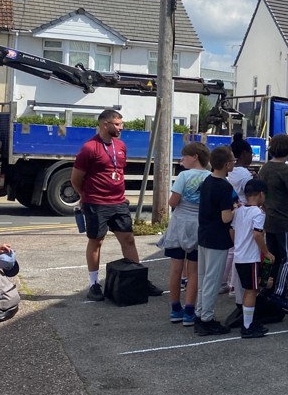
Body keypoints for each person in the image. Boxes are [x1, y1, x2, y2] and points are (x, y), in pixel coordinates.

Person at [71, 109, 162, 301]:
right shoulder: (90, 148)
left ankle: (139, 280)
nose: (121, 128)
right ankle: (94, 284)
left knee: (128, 239)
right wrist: (85, 196)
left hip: (119, 202)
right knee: (96, 242)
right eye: (118, 124)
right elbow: (76, 179)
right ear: (105, 124)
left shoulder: (120, 146)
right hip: (97, 203)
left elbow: (117, 171)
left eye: (122, 124)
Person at [157, 142, 211, 326]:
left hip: (179, 225)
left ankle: (175, 309)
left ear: (195, 157)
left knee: (176, 268)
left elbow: (173, 202)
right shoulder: (210, 177)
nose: (182, 161)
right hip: (199, 226)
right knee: (194, 270)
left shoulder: (184, 176)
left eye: (184, 157)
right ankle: (189, 310)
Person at [194, 146, 238, 336]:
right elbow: (226, 218)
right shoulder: (224, 186)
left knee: (203, 278)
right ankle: (207, 319)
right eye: (233, 161)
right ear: (227, 164)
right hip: (218, 238)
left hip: (204, 234)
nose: (234, 163)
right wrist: (237, 209)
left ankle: (200, 313)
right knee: (213, 280)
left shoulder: (207, 181)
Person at [256, 133, 288, 305]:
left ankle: (266, 286)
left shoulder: (265, 168)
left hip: (269, 217)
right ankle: (279, 292)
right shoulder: (287, 170)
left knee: (271, 256)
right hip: (285, 219)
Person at [230, 178, 273, 338]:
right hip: (250, 257)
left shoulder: (239, 211)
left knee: (247, 289)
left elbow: (232, 231)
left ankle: (248, 322)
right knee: (251, 291)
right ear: (261, 194)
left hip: (239, 256)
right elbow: (257, 234)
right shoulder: (258, 213)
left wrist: (238, 243)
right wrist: (266, 252)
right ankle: (247, 325)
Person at [223, 133, 255, 299]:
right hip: (243, 212)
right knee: (240, 250)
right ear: (244, 154)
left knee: (231, 250)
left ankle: (222, 281)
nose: (252, 157)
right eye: (251, 154)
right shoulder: (244, 174)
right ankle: (234, 285)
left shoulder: (231, 171)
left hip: (231, 210)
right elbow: (251, 193)